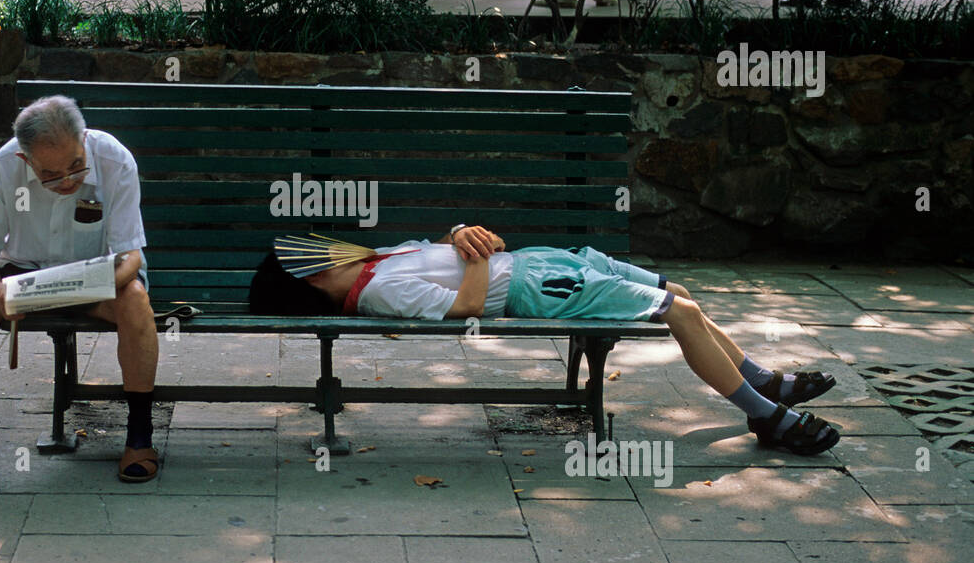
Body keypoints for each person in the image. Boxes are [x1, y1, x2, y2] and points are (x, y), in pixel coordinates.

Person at [250, 225, 841, 455]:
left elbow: (451, 253)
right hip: (542, 287)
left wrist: (462, 235)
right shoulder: (377, 295)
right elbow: (467, 307)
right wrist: (478, 255)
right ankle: (766, 414)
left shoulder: (383, 260)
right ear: (312, 278)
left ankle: (760, 377)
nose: (323, 244)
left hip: (544, 262)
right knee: (679, 314)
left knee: (679, 290)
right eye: (309, 254)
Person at [0, 96, 161, 483]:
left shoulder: (114, 160)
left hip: (97, 276)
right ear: (26, 161)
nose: (68, 180)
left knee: (135, 301)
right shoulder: (5, 165)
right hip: (24, 275)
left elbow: (130, 257)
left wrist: (91, 288)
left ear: (83, 139)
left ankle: (140, 438)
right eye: (51, 174)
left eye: (75, 165)